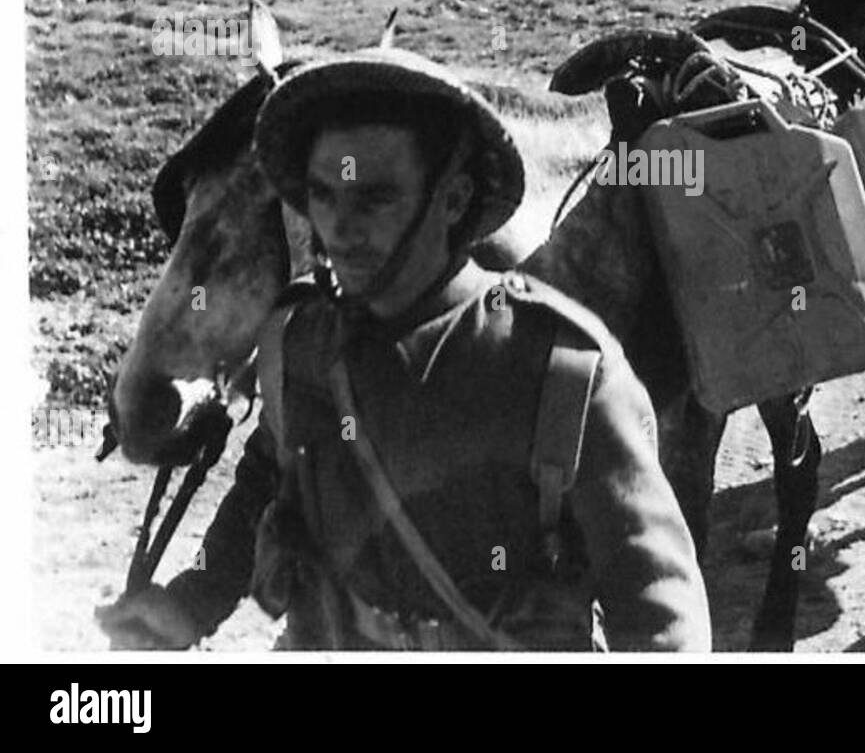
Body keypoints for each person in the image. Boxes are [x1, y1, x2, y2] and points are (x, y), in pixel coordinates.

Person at [96, 47, 712, 650]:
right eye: (323, 195)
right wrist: (191, 601)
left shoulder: (563, 370)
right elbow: (268, 480)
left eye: (375, 198)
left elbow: (659, 609)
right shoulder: (301, 344)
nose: (341, 228)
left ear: (454, 200)